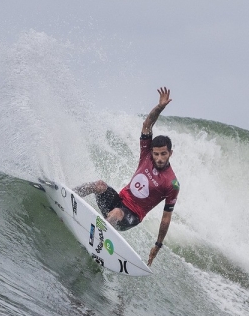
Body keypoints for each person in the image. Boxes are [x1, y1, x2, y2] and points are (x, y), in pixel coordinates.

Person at [75, 87, 180, 267]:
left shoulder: (171, 183)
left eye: (163, 154)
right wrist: (160, 107)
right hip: (118, 201)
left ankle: (96, 245)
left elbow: (166, 218)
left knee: (116, 213)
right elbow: (147, 125)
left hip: (131, 217)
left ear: (170, 153)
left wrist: (158, 245)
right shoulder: (146, 154)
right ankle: (68, 194)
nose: (159, 158)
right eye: (156, 154)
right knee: (99, 185)